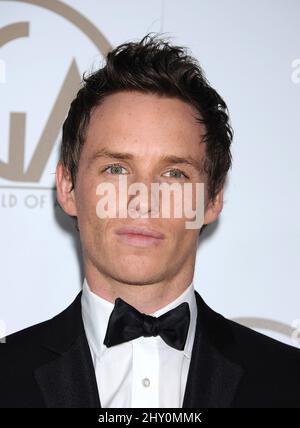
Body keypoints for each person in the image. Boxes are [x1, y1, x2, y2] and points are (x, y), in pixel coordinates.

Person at [1, 33, 300, 408]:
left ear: (212, 199)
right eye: (116, 168)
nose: (143, 200)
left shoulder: (289, 382)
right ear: (68, 187)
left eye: (174, 174)